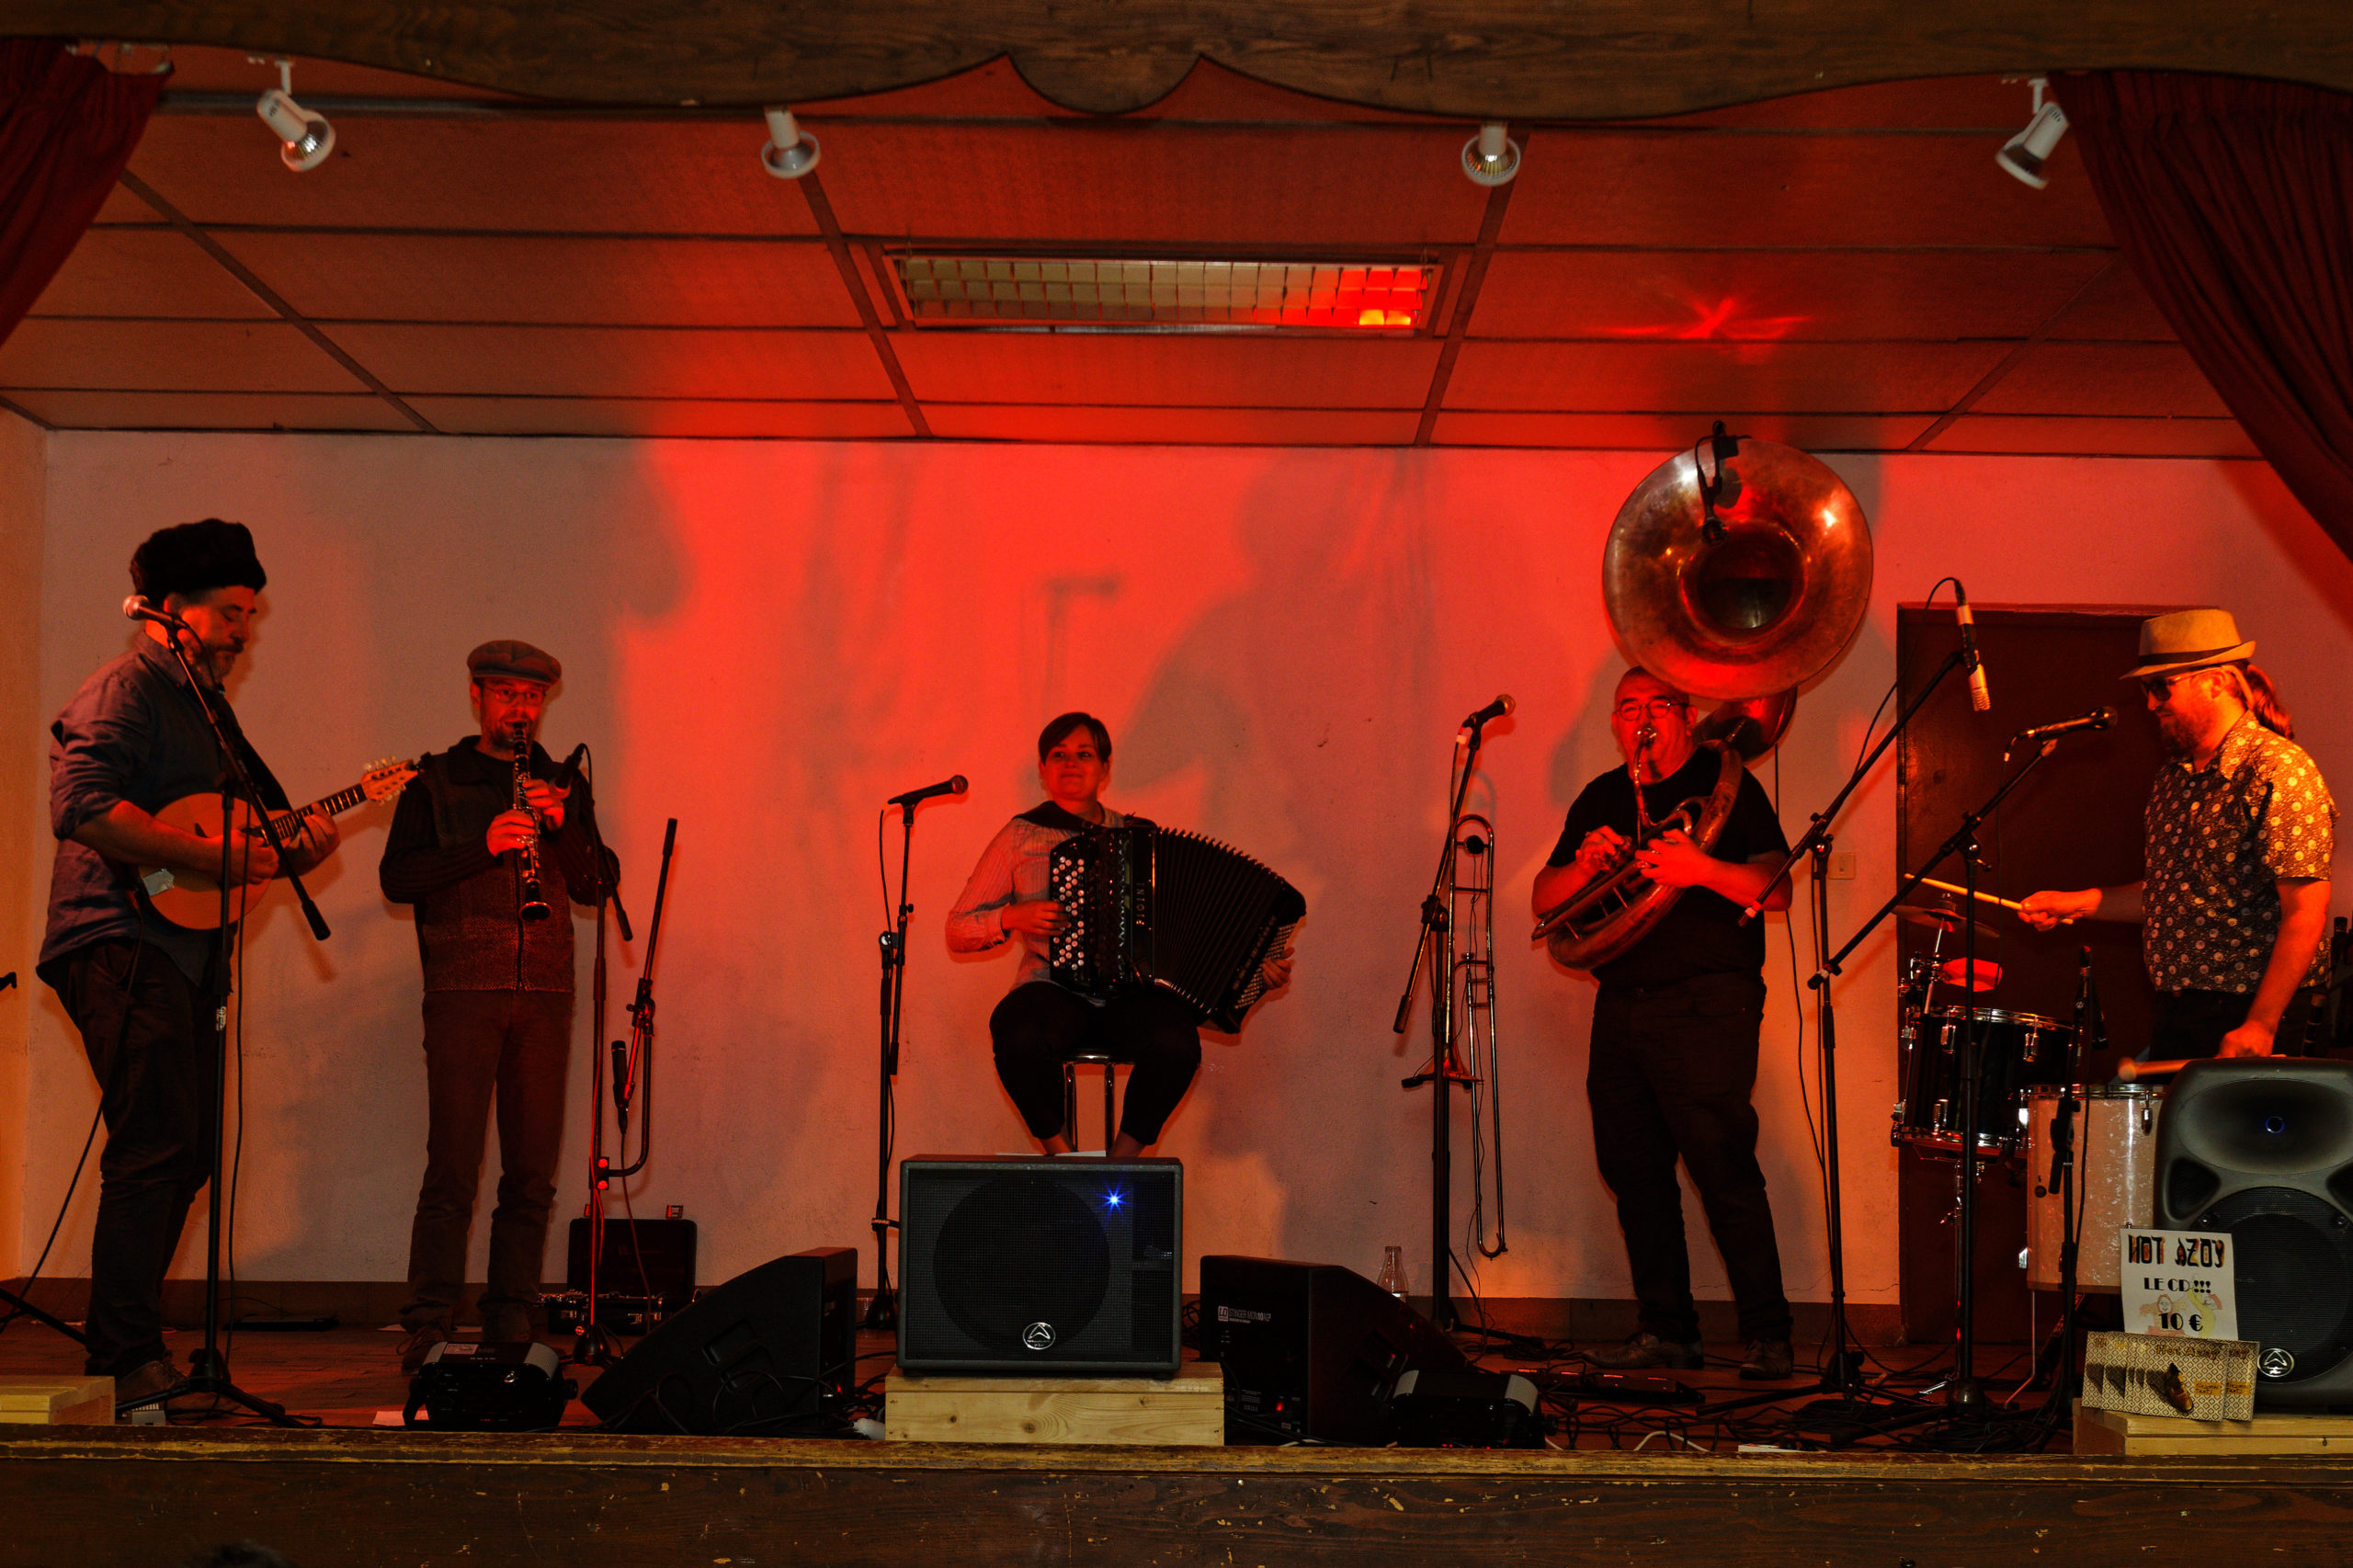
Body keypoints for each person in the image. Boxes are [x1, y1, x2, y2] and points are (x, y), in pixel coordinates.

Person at [39, 519, 339, 1408]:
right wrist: (208, 855)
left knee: (186, 1150)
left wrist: (293, 845)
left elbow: (244, 831)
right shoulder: (124, 689)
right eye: (229, 614)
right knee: (156, 1144)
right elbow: (80, 805)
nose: (243, 632)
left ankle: (129, 1346)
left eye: (250, 615)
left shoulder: (211, 714)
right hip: (119, 939)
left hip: (184, 950)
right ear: (172, 611)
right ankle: (124, 1358)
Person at [1532, 667, 1795, 1380]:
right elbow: (1543, 900)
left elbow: (1776, 886)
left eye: (1658, 705)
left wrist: (1698, 868)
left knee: (1723, 1168)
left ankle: (1769, 1335)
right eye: (1628, 709)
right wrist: (1584, 867)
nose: (1642, 719)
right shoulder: (1600, 797)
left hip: (1708, 1002)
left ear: (1685, 715)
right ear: (1616, 725)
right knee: (1634, 1171)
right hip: (1621, 1005)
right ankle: (1667, 1330)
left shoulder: (1725, 783)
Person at [381, 641, 618, 1371]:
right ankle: (428, 1319)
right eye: (507, 694)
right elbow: (398, 878)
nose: (521, 709)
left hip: (545, 994)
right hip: (462, 989)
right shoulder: (434, 781)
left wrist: (564, 825)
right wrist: (481, 848)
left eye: (532, 697)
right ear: (476, 696)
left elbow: (598, 885)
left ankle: (512, 1313)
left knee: (531, 1174)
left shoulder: (561, 782)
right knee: (453, 1167)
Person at [947, 711, 1290, 1157]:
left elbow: (1193, 932)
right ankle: (1064, 1158)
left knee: (1177, 1043)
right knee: (1016, 1032)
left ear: (1104, 769)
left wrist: (1254, 972)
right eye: (1059, 755)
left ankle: (1120, 1163)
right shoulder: (1019, 836)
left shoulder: (1140, 839)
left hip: (1130, 996)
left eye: (1084, 754)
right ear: (1043, 770)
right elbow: (958, 929)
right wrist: (1012, 917)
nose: (1071, 764)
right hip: (1052, 988)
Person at [2021, 608, 2334, 1060]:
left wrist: (2261, 1023)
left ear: (2217, 681)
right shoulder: (2172, 778)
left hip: (2254, 1013)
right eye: (2146, 689)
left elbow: (2306, 911)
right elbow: (2171, 896)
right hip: (2180, 1010)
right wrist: (2075, 902)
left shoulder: (2278, 769)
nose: (2151, 704)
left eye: (2161, 686)